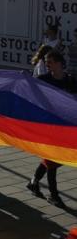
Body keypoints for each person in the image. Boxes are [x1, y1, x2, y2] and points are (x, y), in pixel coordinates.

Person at [27, 50, 77, 208]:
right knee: (52, 157)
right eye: (46, 62)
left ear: (60, 63)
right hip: (48, 125)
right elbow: (31, 93)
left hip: (66, 125)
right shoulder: (43, 79)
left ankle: (34, 181)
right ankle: (53, 194)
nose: (47, 65)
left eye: (50, 62)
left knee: (54, 159)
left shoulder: (71, 81)